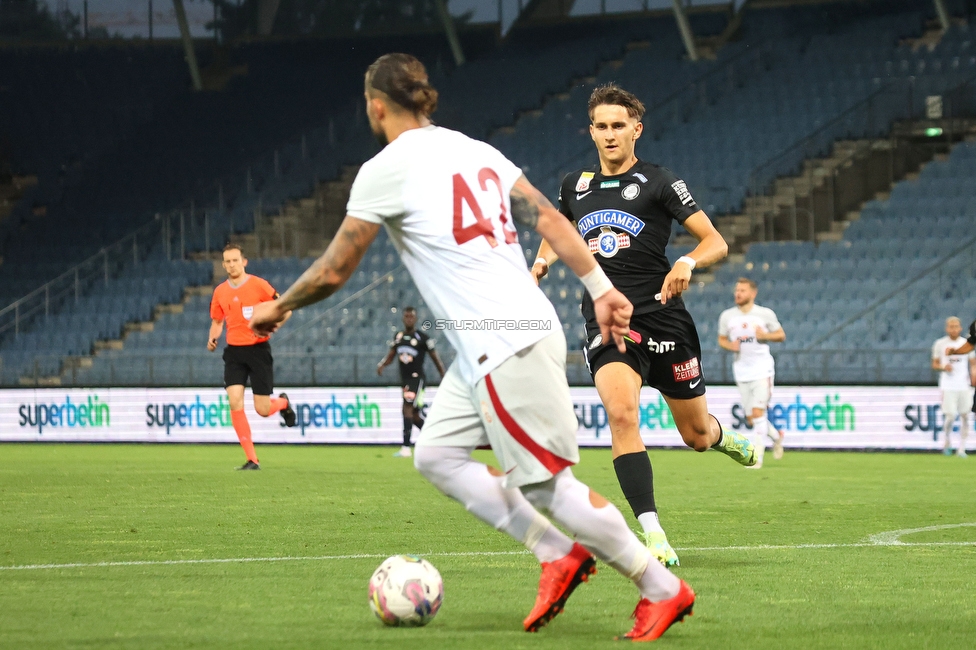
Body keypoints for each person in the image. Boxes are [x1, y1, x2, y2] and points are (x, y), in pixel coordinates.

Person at [249, 54, 694, 641]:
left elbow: (334, 271)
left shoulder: (385, 167)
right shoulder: (474, 149)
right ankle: (558, 556)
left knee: (546, 484)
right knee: (436, 455)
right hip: (491, 342)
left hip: (504, 338)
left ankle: (661, 589)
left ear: (376, 106)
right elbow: (550, 219)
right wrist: (602, 287)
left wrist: (277, 306)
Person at [531, 83, 756, 568]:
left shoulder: (658, 182)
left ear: (637, 129)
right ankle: (652, 532)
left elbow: (715, 240)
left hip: (665, 320)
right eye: (601, 126)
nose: (609, 135)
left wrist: (688, 263)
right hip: (609, 320)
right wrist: (543, 260)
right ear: (590, 131)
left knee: (694, 435)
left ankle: (720, 437)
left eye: (618, 125)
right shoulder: (575, 185)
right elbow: (555, 229)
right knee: (622, 415)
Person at [208, 243, 297, 470]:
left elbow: (285, 308)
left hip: (258, 351)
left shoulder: (258, 285)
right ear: (223, 264)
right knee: (234, 402)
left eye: (235, 260)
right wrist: (213, 337)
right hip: (234, 352)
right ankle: (252, 459)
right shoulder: (220, 291)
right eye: (227, 261)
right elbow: (217, 320)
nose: (232, 265)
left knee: (263, 410)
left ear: (244, 261)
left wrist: (275, 325)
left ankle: (284, 403)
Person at [718, 278, 786, 469]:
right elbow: (721, 338)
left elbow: (781, 335)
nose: (737, 293)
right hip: (741, 371)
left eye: (742, 290)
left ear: (753, 293)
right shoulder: (727, 316)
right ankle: (776, 436)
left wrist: (765, 336)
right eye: (736, 290)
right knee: (751, 418)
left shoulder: (764, 314)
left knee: (757, 413)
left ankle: (757, 458)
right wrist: (729, 345)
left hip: (762, 369)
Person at [377, 306, 446, 457]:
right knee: (414, 416)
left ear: (415, 319)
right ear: (403, 318)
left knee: (406, 408)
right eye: (406, 316)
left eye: (411, 316)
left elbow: (435, 357)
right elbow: (391, 355)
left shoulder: (422, 338)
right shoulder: (399, 337)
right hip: (405, 380)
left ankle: (406, 448)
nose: (409, 319)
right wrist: (382, 364)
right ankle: (437, 440)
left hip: (417, 378)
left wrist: (442, 373)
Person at [932, 317, 975, 457]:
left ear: (960, 328)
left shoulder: (966, 343)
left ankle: (962, 448)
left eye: (956, 326)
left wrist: (973, 375)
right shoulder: (940, 344)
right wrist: (944, 366)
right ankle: (947, 442)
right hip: (948, 385)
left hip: (964, 385)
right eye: (951, 326)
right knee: (950, 416)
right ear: (946, 328)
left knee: (965, 415)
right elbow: (935, 364)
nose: (954, 329)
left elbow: (973, 363)